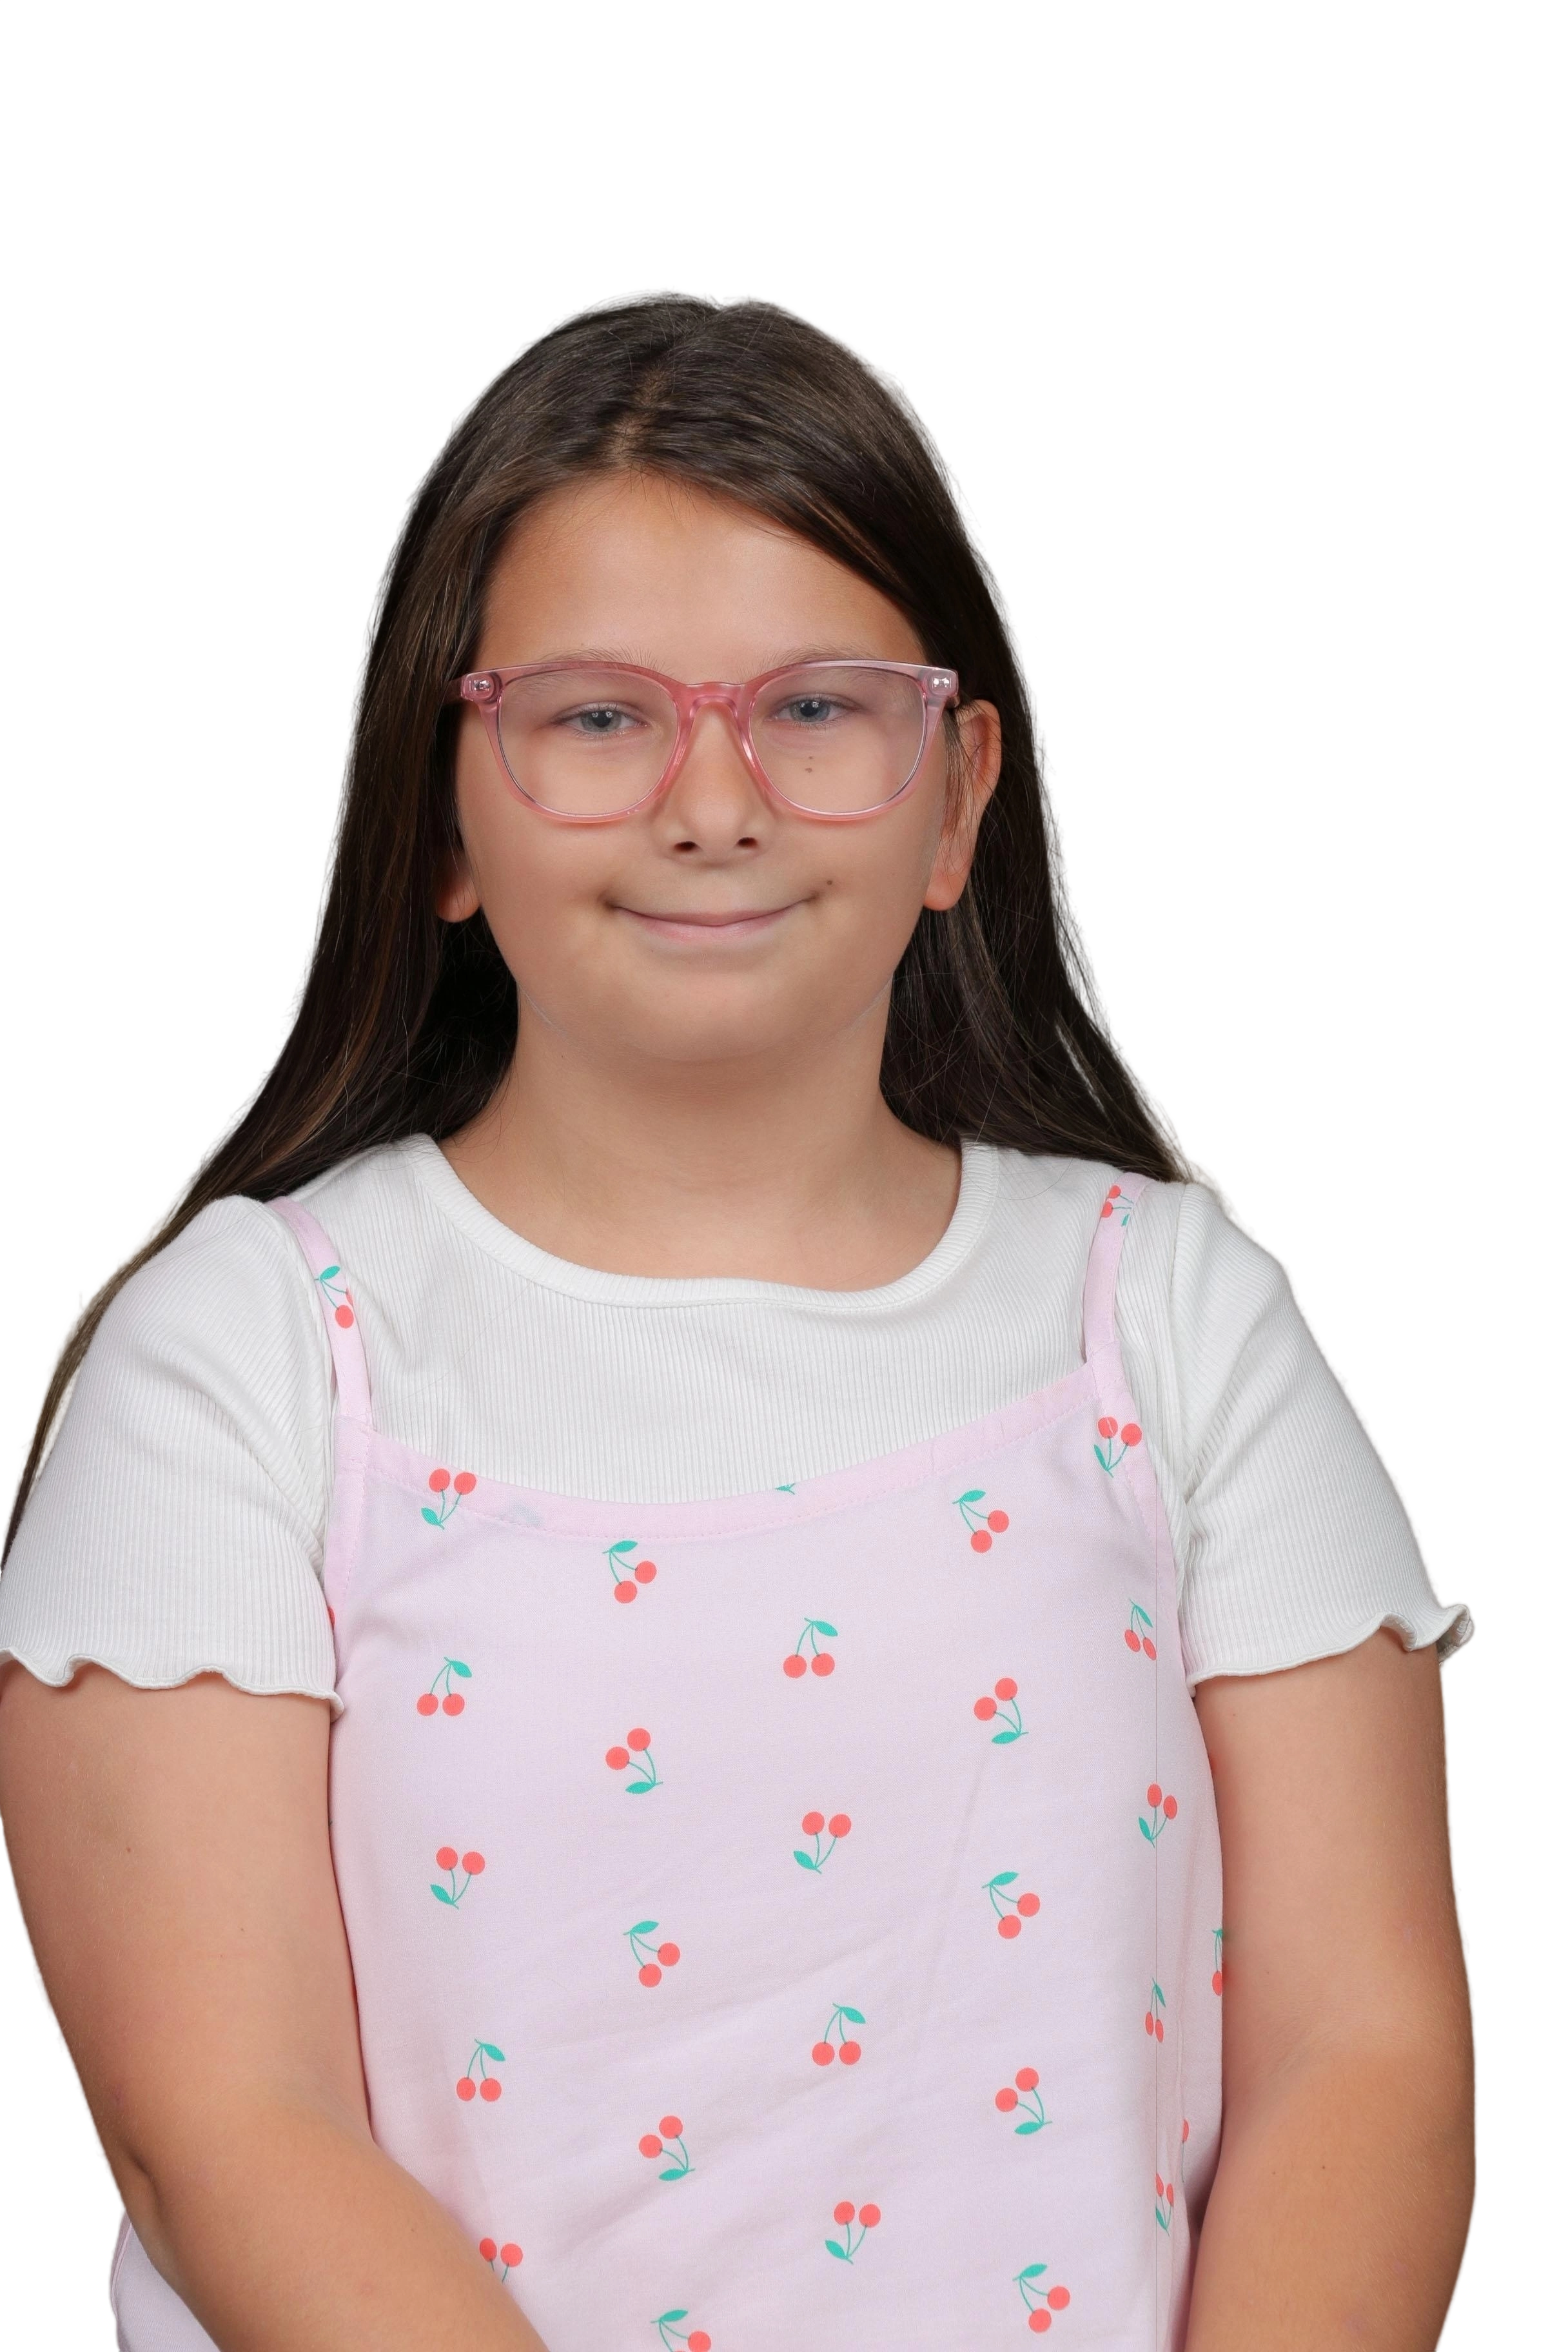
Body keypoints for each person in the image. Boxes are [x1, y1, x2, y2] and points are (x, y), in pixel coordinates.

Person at [0, 284, 1479, 2352]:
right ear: (441, 810)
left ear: (958, 797)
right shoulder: (247, 1359)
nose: (716, 802)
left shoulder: (1177, 1324)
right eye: (598, 717)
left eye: (818, 708)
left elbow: (1368, 2061)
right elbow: (224, 2129)